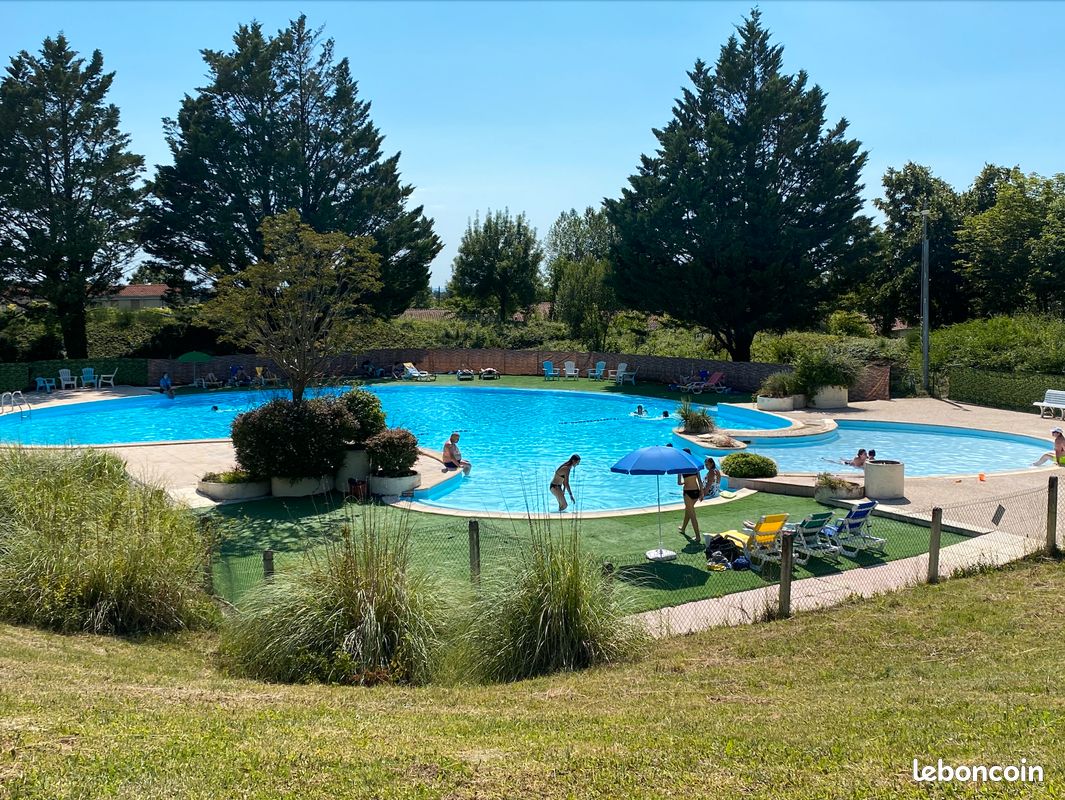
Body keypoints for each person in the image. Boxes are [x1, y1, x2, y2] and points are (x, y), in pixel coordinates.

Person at [677, 458, 705, 543]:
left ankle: (698, 537)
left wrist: (685, 482)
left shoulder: (681, 468)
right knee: (688, 511)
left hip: (688, 492)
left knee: (692, 515)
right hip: (696, 492)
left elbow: (679, 482)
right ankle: (683, 528)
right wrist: (702, 492)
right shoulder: (695, 467)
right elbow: (699, 481)